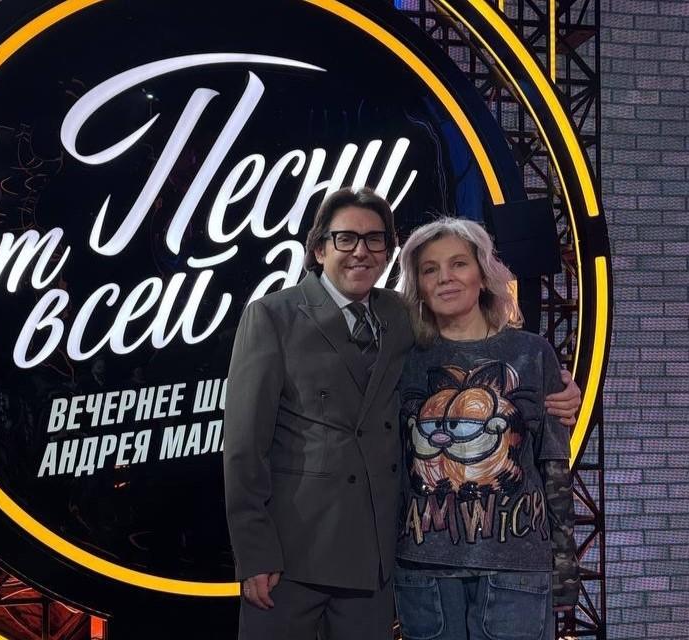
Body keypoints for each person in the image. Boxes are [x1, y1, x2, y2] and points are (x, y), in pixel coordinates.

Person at [223, 189, 581, 640]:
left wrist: (564, 390)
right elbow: (244, 448)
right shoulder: (283, 317)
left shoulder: (405, 321)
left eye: (374, 240)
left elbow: (550, 457)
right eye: (346, 238)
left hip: (412, 563)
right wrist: (254, 551)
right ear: (319, 249)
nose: (361, 251)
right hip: (324, 557)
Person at [393, 217, 579, 640]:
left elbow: (554, 465)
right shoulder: (402, 358)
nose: (445, 277)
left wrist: (565, 569)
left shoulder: (532, 352)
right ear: (418, 284)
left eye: (458, 263)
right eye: (430, 269)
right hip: (423, 569)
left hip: (516, 567)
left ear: (484, 273)